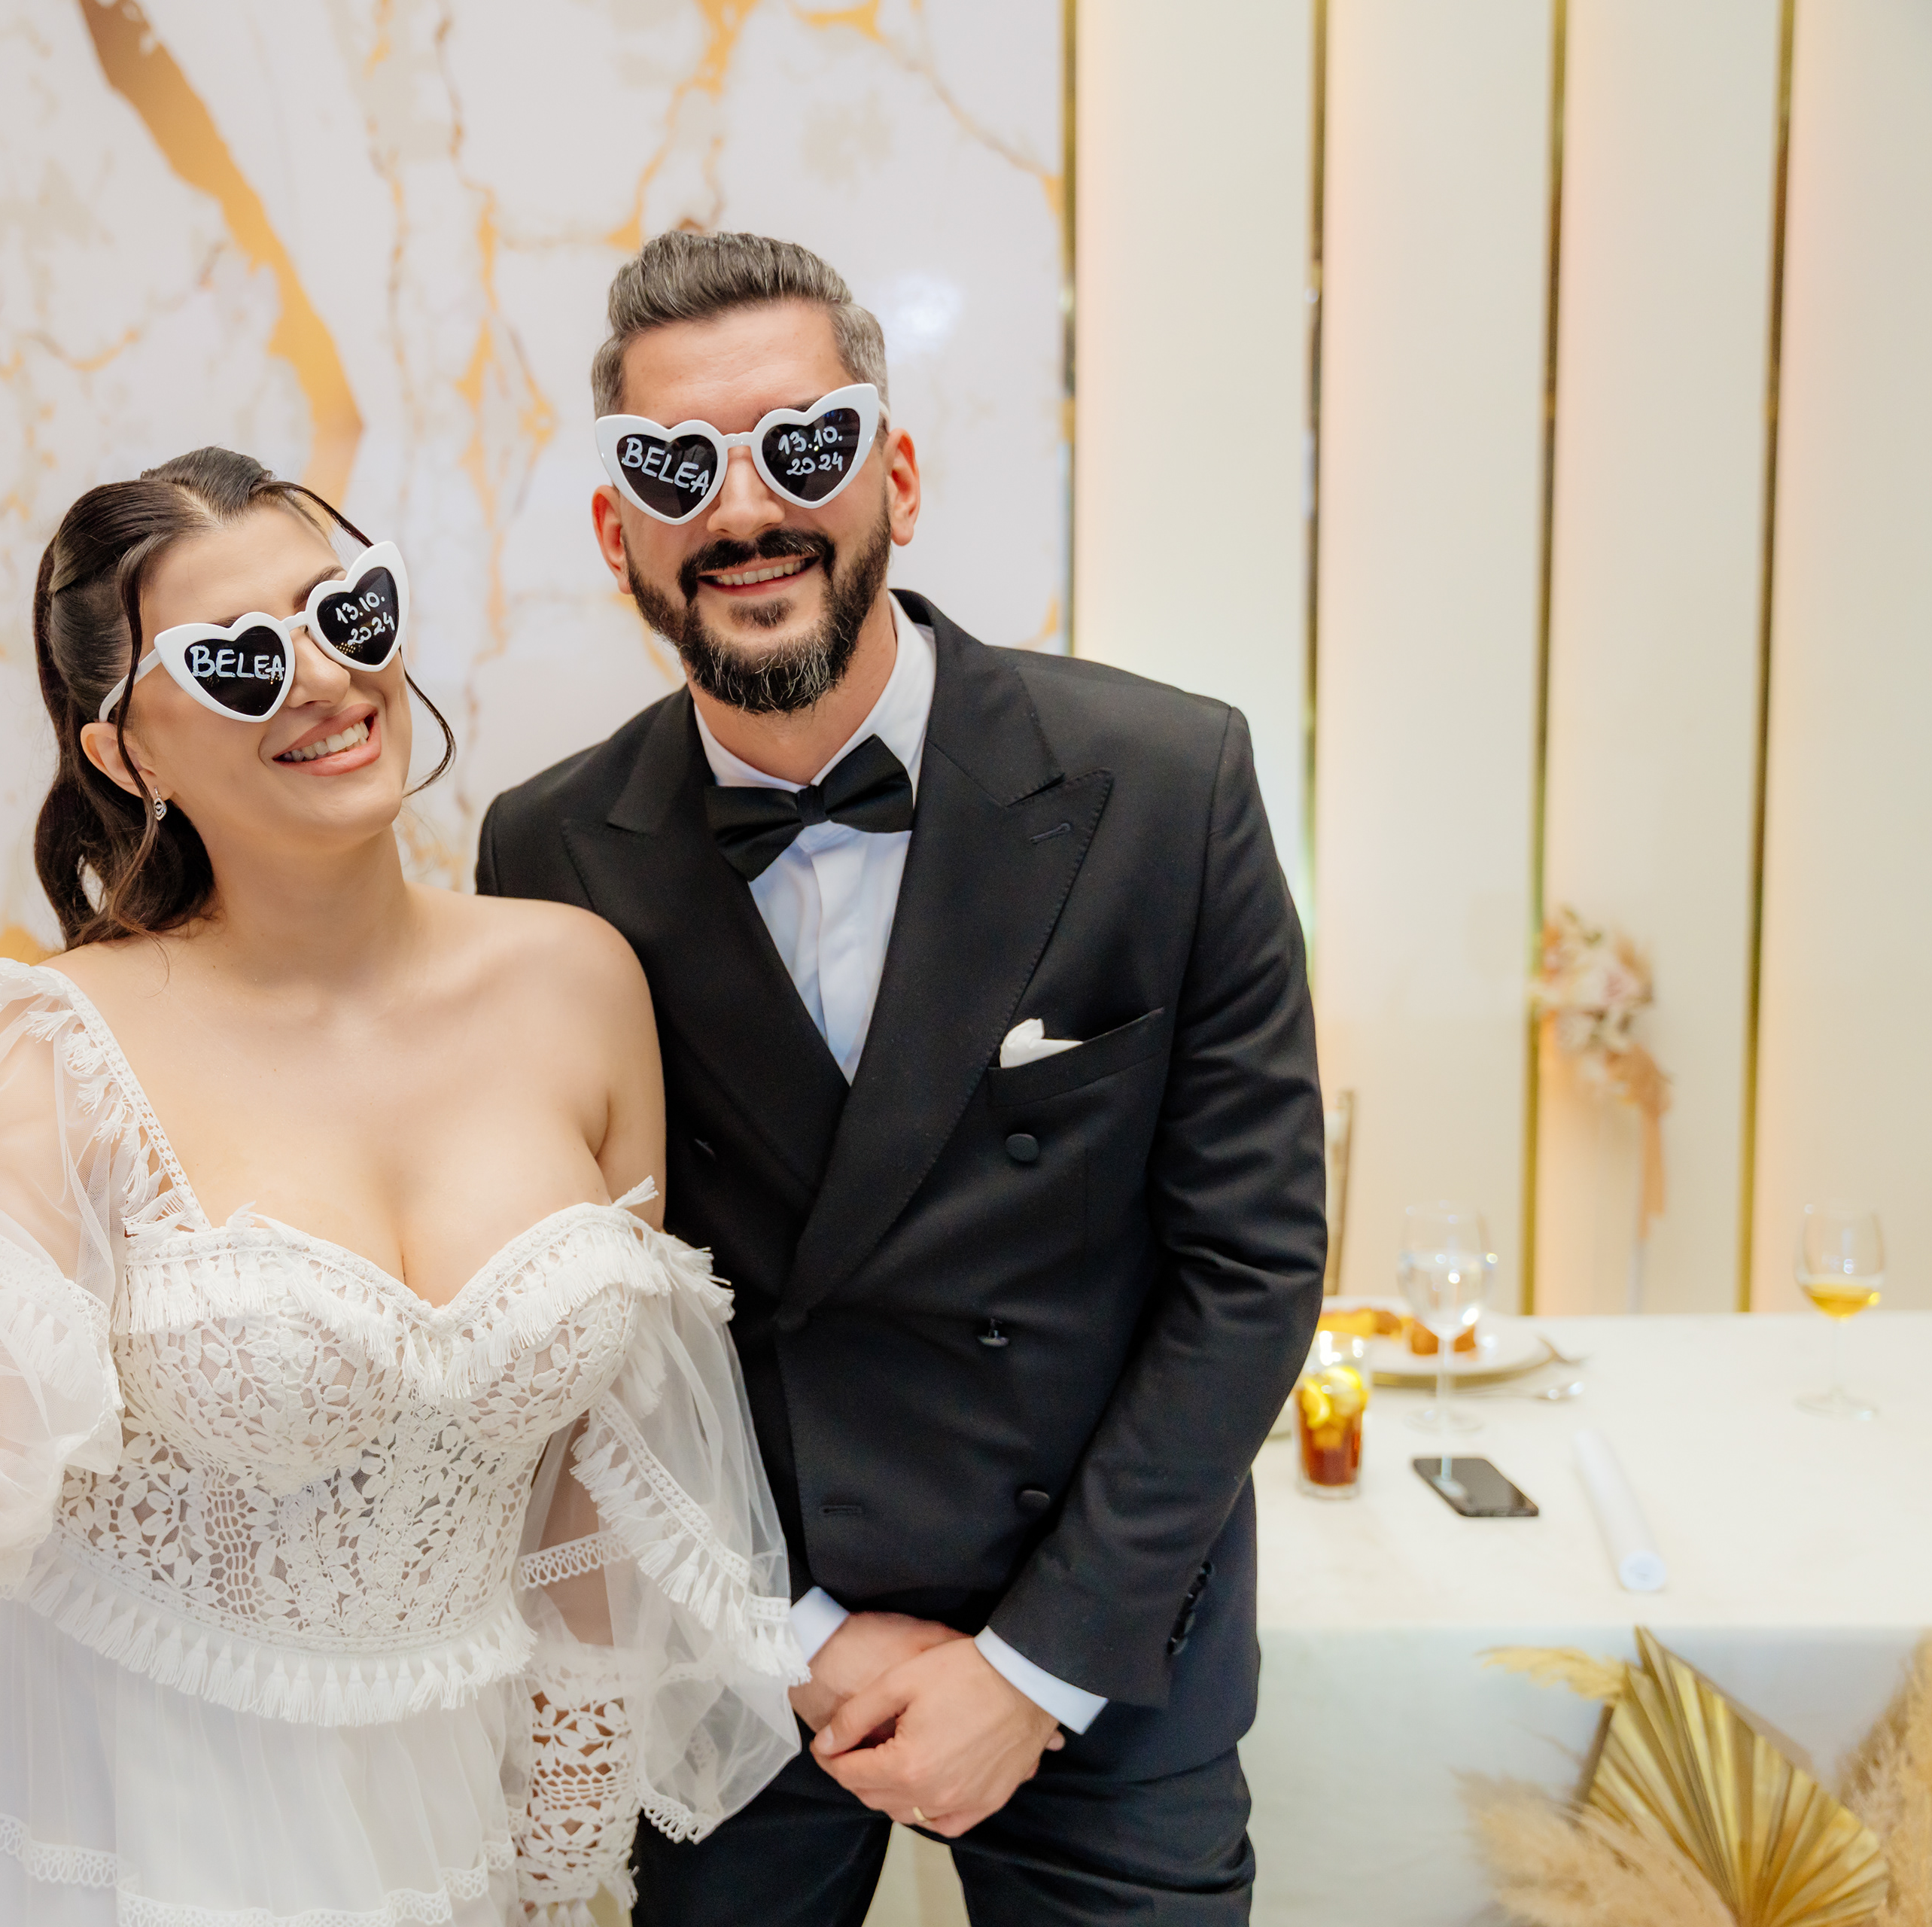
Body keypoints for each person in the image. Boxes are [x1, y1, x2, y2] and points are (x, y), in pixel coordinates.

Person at [0, 448, 801, 1925]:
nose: (325, 678)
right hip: (132, 1812)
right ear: (124, 753)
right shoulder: (51, 1050)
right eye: (239, 658)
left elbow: (590, 1470)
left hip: (446, 1812)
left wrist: (560, 1849)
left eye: (348, 611)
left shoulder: (577, 979)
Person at [478, 232, 1327, 1924]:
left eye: (804, 446)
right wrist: (789, 1636)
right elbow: (587, 1333)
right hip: (740, 1663)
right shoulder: (546, 849)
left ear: (899, 478)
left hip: (1103, 1640)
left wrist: (1033, 1668)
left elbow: (1252, 1265)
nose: (744, 510)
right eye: (677, 468)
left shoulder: (1170, 783)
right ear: (618, 531)